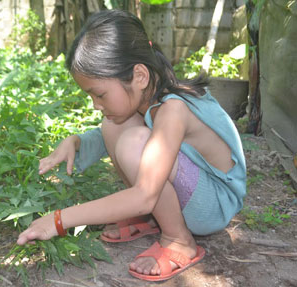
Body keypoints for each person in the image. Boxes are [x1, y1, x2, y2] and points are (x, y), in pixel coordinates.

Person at [17, 9, 246, 282]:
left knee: (133, 142)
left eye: (99, 94)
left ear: (139, 76)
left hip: (216, 204)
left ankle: (178, 239)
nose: (95, 105)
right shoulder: (150, 96)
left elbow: (145, 193)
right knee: (113, 126)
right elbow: (108, 136)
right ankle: (151, 219)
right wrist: (76, 142)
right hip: (195, 191)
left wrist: (58, 221)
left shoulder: (173, 109)